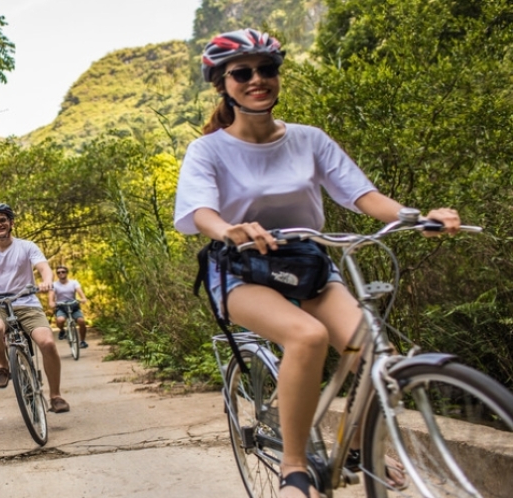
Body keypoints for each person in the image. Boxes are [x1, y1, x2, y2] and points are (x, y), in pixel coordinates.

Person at [174, 29, 462, 498]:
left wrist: (417, 217)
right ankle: (294, 469)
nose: (257, 80)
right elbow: (200, 211)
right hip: (239, 269)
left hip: (307, 263)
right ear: (222, 83)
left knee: (371, 346)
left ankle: (353, 444)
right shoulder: (208, 150)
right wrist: (230, 229)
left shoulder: (309, 139)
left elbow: (363, 196)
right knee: (307, 336)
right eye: (242, 73)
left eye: (267, 70)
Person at [0, 203, 70, 413]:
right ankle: (4, 365)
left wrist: (47, 281)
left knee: (47, 343)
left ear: (11, 223)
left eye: (3, 220)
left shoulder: (27, 246)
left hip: (26, 301)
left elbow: (44, 268)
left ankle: (55, 396)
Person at [48, 265, 90, 349]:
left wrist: (83, 298)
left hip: (73, 305)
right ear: (57, 274)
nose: (61, 273)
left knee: (81, 321)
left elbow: (80, 291)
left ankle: (82, 341)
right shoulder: (54, 285)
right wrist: (51, 302)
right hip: (61, 306)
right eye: (58, 272)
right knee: (60, 320)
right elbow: (51, 296)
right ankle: (62, 331)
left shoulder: (74, 282)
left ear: (67, 273)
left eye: (63, 272)